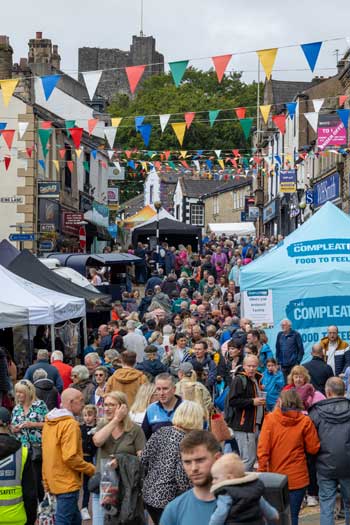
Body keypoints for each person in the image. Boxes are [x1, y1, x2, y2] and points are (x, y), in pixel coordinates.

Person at [258, 389, 320, 525]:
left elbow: (263, 450)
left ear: (280, 401)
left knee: (275, 517)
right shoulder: (305, 421)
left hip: (275, 478)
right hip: (298, 477)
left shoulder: (270, 419)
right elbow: (313, 448)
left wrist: (262, 475)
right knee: (293, 516)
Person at [142, 401, 205, 524]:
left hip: (149, 494)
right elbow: (181, 478)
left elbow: (144, 458)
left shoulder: (161, 431)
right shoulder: (186, 441)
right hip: (169, 499)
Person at [42, 388, 95, 525]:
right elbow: (70, 457)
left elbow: (46, 454)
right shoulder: (71, 425)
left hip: (54, 480)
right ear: (71, 402)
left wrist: (46, 480)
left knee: (73, 519)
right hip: (67, 482)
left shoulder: (49, 422)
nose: (83, 403)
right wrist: (91, 469)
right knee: (64, 520)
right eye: (81, 400)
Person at [92, 391, 145, 525]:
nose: (107, 408)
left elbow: (142, 459)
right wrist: (116, 420)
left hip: (126, 488)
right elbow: (97, 441)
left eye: (112, 405)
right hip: (104, 486)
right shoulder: (102, 425)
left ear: (123, 407)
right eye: (106, 405)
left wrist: (121, 461)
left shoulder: (135, 430)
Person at [309, 377, 350, 525]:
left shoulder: (316, 412)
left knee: (326, 504)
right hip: (348, 463)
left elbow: (310, 441)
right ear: (344, 391)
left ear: (327, 391)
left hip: (324, 464)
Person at [160, 430, 221, 525]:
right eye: (187, 462)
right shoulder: (173, 510)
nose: (194, 468)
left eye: (200, 460)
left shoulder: (241, 502)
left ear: (217, 459)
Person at [209, 453, 279, 525]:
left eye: (215, 478)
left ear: (229, 478)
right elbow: (264, 505)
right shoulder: (253, 489)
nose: (213, 481)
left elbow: (220, 513)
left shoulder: (226, 493)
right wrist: (273, 514)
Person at [11, 379, 48, 502]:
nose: (18, 395)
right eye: (17, 392)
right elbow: (12, 426)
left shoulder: (40, 405)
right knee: (25, 480)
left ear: (28, 392)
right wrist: (14, 429)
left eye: (21, 392)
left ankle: (42, 506)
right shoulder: (16, 408)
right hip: (22, 449)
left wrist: (32, 424)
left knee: (37, 479)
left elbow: (49, 424)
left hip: (37, 448)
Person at [226, 355, 264, 470]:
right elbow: (232, 401)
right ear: (244, 366)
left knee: (252, 459)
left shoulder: (255, 379)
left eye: (254, 366)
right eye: (249, 366)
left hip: (254, 424)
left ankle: (247, 483)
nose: (251, 369)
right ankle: (241, 485)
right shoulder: (239, 379)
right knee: (248, 459)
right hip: (244, 425)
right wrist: (252, 401)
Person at [0, 407, 37, 525]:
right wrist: (31, 519)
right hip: (16, 518)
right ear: (10, 425)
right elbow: (30, 493)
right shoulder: (22, 452)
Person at [142, 373, 182, 439]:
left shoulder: (186, 407)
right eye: (158, 389)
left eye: (165, 389)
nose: (161, 393)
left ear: (174, 389)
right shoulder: (151, 409)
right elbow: (144, 437)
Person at [80, 405, 97, 522]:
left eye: (90, 415)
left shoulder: (98, 428)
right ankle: (84, 507)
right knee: (85, 486)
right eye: (85, 415)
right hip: (84, 459)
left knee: (96, 484)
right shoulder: (80, 428)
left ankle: (98, 507)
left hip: (95, 458)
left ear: (95, 416)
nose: (87, 418)